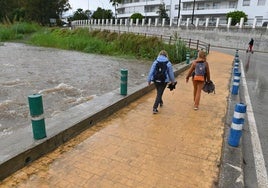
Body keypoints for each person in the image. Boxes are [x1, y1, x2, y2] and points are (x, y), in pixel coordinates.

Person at [147, 50, 176, 114]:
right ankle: (155, 108)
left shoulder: (155, 62)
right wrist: (173, 81)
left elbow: (151, 71)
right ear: (166, 55)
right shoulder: (168, 63)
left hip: (155, 80)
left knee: (159, 92)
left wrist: (149, 80)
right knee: (159, 93)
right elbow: (171, 73)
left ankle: (161, 102)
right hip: (164, 81)